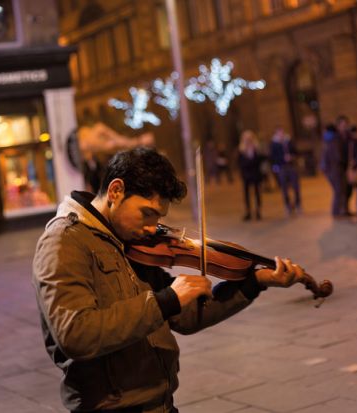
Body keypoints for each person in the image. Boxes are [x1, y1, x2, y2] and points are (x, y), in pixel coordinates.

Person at [32, 147, 305, 413]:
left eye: (159, 217)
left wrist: (254, 282)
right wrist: (166, 300)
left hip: (159, 403)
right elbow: (76, 333)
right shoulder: (65, 242)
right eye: (147, 213)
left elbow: (185, 318)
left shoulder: (129, 243)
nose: (153, 227)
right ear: (116, 191)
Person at [269, 126, 302, 216]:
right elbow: (272, 157)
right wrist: (282, 159)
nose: (281, 135)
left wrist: (292, 156)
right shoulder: (273, 144)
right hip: (281, 167)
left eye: (282, 132)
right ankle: (287, 205)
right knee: (284, 188)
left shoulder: (288, 141)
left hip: (291, 166)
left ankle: (298, 204)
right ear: (276, 134)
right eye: (279, 133)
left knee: (296, 187)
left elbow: (296, 151)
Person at [238, 130, 267, 220]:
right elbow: (241, 164)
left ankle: (258, 211)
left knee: (257, 193)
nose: (248, 140)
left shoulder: (256, 149)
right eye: (246, 139)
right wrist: (251, 162)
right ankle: (248, 212)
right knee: (247, 194)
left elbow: (261, 159)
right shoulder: (241, 151)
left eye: (249, 138)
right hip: (246, 175)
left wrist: (253, 161)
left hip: (256, 174)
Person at [320, 123, 346, 217]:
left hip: (329, 170)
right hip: (335, 170)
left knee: (337, 191)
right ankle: (336, 212)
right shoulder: (335, 140)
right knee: (338, 191)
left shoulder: (326, 141)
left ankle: (338, 211)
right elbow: (338, 156)